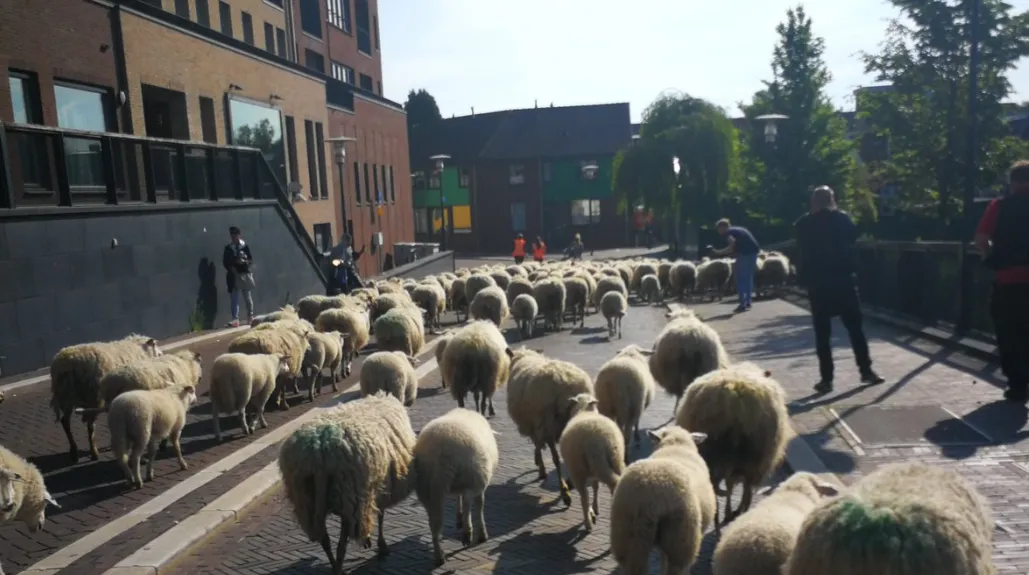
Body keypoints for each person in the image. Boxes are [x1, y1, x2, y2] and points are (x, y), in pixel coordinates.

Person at [794, 186, 884, 393]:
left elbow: (801, 249)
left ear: (813, 202)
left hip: (818, 284)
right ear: (832, 200)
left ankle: (826, 379)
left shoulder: (803, 224)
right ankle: (866, 371)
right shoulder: (842, 220)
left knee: (822, 333)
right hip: (843, 281)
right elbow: (853, 238)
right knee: (855, 329)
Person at [975, 160, 1029, 403]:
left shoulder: (999, 206)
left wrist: (988, 256)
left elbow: (982, 237)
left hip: (1008, 280)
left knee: (1009, 334)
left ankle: (1017, 385)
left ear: (1014, 182)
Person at [711, 218, 760, 313]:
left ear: (723, 227)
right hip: (753, 253)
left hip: (744, 254)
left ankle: (742, 304)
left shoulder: (729, 233)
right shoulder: (739, 229)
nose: (718, 231)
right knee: (748, 277)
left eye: (719, 229)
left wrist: (717, 252)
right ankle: (748, 301)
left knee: (740, 278)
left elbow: (731, 246)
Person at [222, 226, 254, 327]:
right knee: (234, 298)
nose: (233, 237)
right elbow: (225, 262)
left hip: (244, 274)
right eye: (232, 235)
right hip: (234, 275)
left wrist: (244, 261)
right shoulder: (228, 248)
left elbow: (250, 259)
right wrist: (233, 264)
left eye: (235, 235)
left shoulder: (244, 246)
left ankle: (250, 316)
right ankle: (235, 319)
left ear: (239, 235)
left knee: (247, 297)